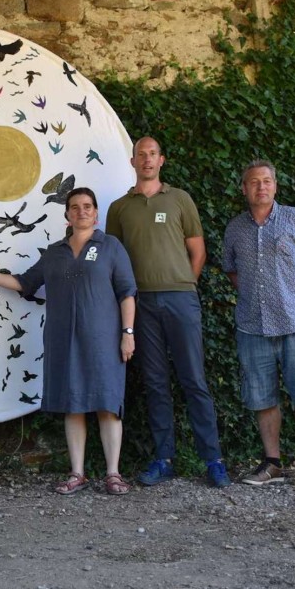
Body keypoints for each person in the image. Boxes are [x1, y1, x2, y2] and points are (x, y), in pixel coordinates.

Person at [0, 187, 137, 495]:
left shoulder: (111, 247)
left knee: (107, 404)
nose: (82, 211)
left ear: (96, 212)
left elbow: (127, 292)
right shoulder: (54, 252)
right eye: (75, 207)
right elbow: (24, 283)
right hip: (64, 340)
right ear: (67, 214)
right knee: (72, 405)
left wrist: (127, 334)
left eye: (88, 206)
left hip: (105, 340)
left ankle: (113, 474)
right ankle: (77, 473)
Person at [105, 136, 230, 488]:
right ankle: (164, 458)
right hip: (141, 305)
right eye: (140, 155)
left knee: (194, 380)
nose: (146, 160)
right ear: (132, 162)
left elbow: (198, 251)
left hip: (180, 301)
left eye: (152, 154)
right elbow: (115, 260)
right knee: (156, 383)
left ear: (162, 160)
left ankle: (213, 460)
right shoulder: (119, 208)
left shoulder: (180, 199)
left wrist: (184, 285)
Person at [222, 160, 295, 489]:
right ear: (244, 188)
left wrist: (291, 293)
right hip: (253, 326)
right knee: (262, 398)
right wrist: (258, 294)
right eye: (254, 182)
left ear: (275, 186)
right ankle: (272, 463)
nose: (261, 187)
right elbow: (231, 270)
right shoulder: (235, 229)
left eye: (267, 181)